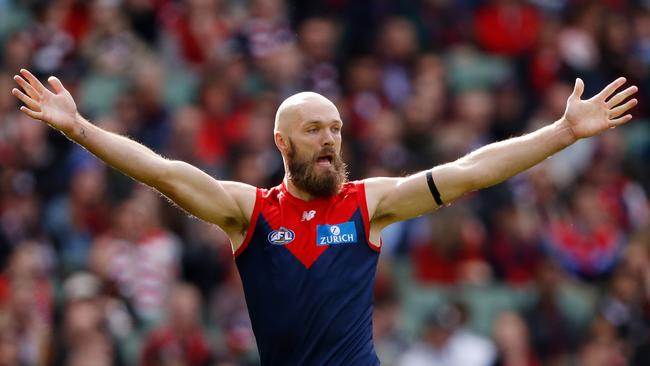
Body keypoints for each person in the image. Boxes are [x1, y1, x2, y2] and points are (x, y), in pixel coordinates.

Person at [11, 69, 638, 365]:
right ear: (282, 143)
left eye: (336, 128)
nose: (330, 139)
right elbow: (162, 171)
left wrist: (561, 133)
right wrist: (80, 127)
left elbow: (471, 171)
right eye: (314, 130)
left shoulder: (370, 203)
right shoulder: (248, 212)